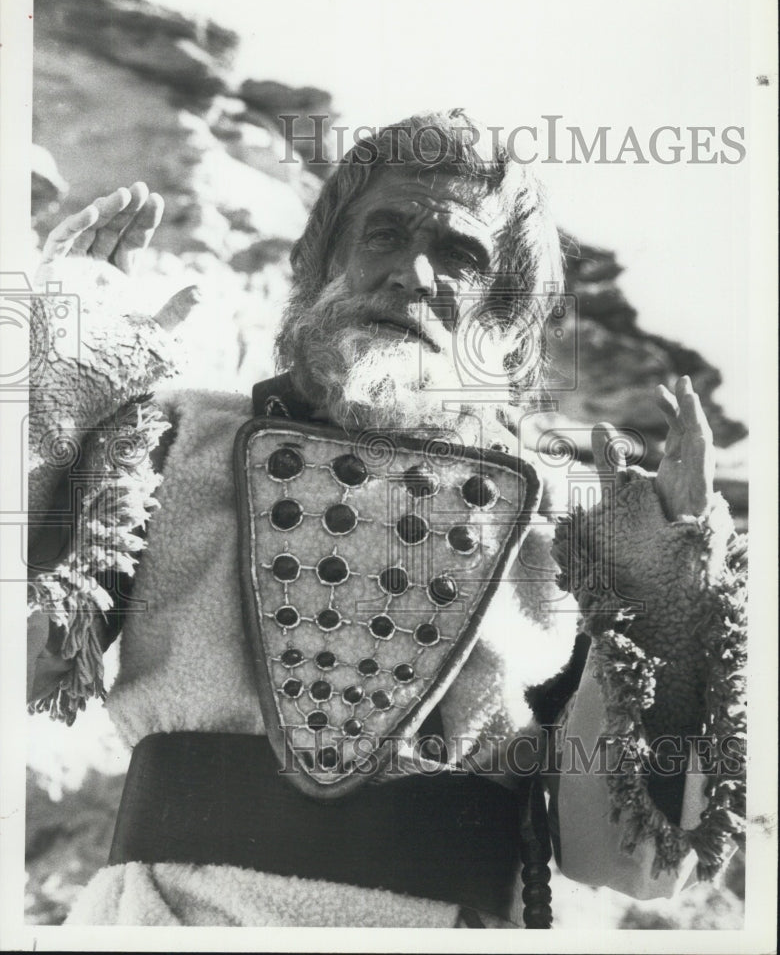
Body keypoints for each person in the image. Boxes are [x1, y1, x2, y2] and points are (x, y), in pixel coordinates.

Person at [27, 111, 746, 928]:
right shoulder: (172, 439)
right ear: (321, 264)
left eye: (462, 256)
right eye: (383, 235)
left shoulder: (575, 525)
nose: (413, 272)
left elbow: (626, 861)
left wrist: (673, 592)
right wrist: (58, 381)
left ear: (506, 322)